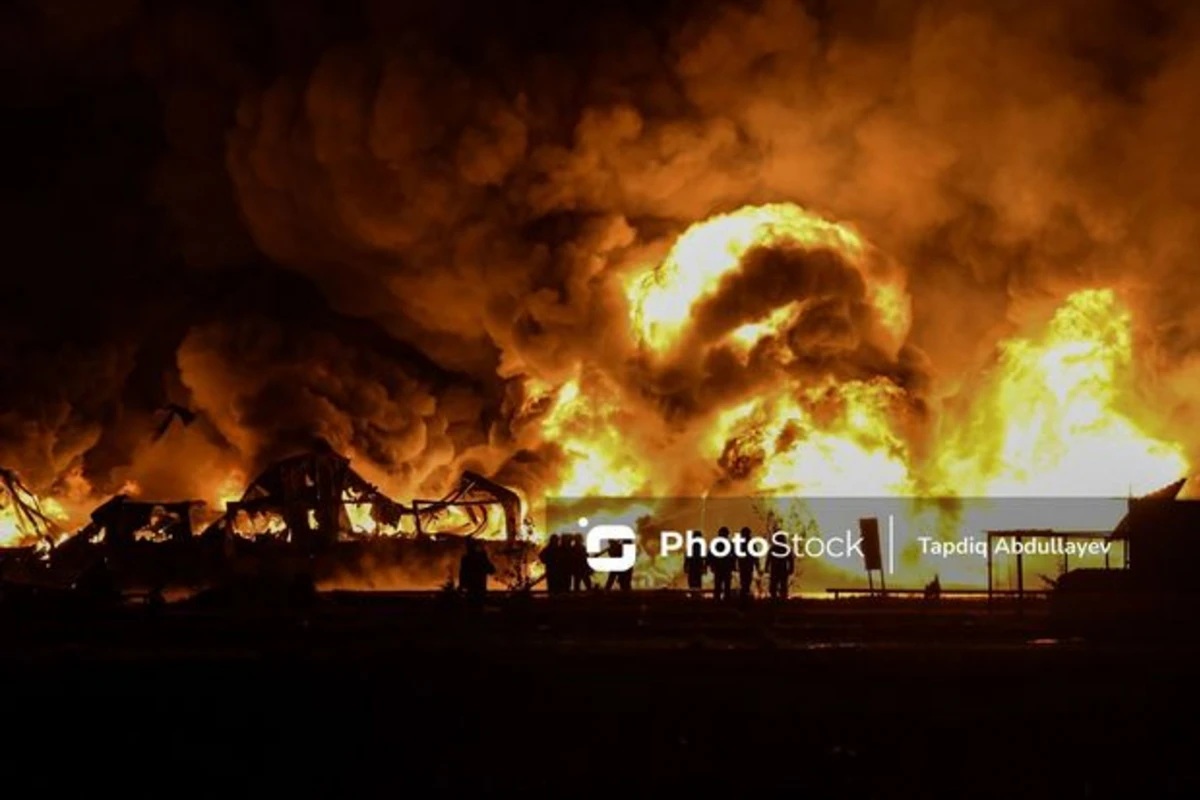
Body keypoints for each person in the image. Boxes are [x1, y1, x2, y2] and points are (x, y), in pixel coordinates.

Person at [459, 537, 495, 608]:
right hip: (479, 590)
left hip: (472, 591)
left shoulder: (466, 559)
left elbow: (462, 574)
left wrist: (462, 586)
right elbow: (491, 570)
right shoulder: (480, 557)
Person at [708, 527, 735, 602]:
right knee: (725, 585)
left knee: (719, 585)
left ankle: (718, 600)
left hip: (720, 567)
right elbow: (734, 556)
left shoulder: (716, 544)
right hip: (724, 567)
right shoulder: (730, 544)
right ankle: (725, 600)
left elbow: (710, 555)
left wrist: (710, 565)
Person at [766, 536, 795, 600]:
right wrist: (791, 569)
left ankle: (776, 598)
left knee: (777, 585)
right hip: (781, 569)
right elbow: (791, 560)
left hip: (777, 569)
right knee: (780, 585)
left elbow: (768, 559)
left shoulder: (773, 548)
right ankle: (780, 598)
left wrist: (766, 568)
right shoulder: (786, 548)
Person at [736, 526, 759, 599]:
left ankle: (744, 595)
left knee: (744, 581)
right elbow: (755, 556)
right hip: (748, 565)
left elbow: (736, 555)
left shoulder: (740, 543)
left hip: (744, 565)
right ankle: (745, 595)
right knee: (747, 581)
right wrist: (757, 565)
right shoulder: (751, 543)